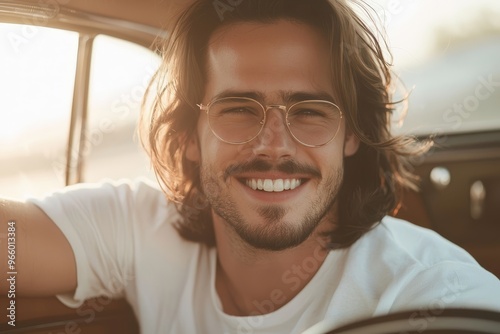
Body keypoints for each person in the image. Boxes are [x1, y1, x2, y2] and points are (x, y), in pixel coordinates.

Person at [1, 0, 500, 333]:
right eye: (239, 108)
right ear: (187, 137)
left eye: (308, 111)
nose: (273, 145)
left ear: (352, 136)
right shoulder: (140, 232)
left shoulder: (431, 295)